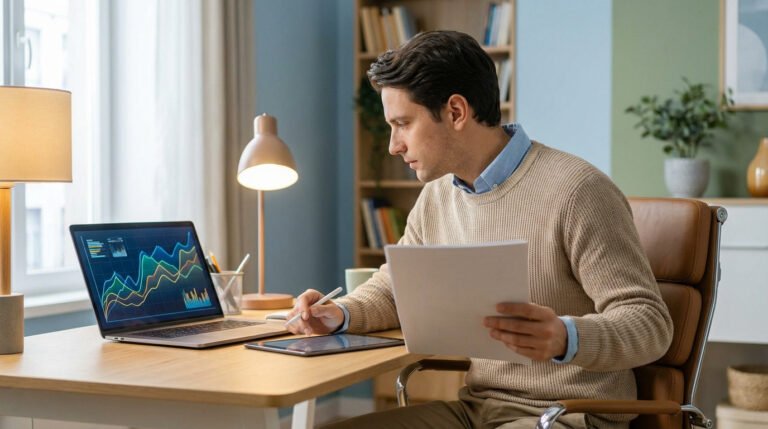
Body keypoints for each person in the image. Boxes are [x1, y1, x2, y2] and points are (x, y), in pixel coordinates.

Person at [286, 30, 673, 429]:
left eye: (403, 124)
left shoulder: (578, 191)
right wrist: (339, 313)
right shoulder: (437, 195)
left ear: (456, 112)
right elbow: (396, 288)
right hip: (478, 410)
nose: (393, 145)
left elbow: (650, 324)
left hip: (569, 415)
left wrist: (565, 337)